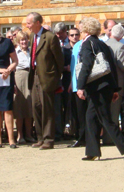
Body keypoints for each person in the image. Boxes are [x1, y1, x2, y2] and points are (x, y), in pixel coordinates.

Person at [75, 17, 124, 162]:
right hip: (104, 86)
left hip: (96, 87)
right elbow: (111, 67)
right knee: (91, 118)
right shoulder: (102, 44)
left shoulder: (87, 44)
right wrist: (114, 88)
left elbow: (86, 65)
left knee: (105, 119)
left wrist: (80, 86)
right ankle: (92, 151)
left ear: (85, 29)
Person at [25, 12, 64, 150]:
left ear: (37, 23)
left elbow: (59, 59)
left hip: (47, 77)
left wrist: (55, 77)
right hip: (34, 75)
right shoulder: (31, 36)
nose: (27, 26)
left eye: (29, 23)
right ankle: (40, 138)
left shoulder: (50, 37)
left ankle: (49, 139)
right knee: (36, 107)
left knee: (47, 109)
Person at [13, 31, 34, 144]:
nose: (24, 42)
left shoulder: (32, 51)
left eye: (25, 39)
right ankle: (20, 135)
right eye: (21, 40)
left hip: (30, 77)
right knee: (19, 107)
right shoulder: (15, 52)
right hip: (19, 77)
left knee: (29, 107)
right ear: (18, 41)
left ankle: (29, 134)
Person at [68, 25, 87, 148]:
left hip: (83, 85)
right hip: (75, 85)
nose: (75, 37)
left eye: (77, 34)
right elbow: (74, 66)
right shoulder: (76, 46)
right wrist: (72, 83)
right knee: (78, 113)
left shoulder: (84, 44)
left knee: (84, 113)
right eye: (72, 35)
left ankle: (84, 137)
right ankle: (80, 137)